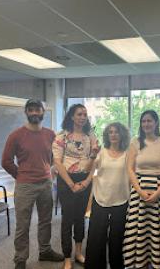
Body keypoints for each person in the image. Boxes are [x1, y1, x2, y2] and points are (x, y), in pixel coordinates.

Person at [2, 99, 64, 269]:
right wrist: (20, 175)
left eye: (38, 110)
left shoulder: (50, 134)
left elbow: (54, 158)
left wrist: (50, 170)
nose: (35, 113)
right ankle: (20, 259)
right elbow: (6, 161)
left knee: (45, 221)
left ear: (43, 112)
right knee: (23, 224)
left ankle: (45, 250)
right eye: (31, 110)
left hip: (45, 184)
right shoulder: (16, 135)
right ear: (26, 112)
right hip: (25, 186)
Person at [122, 110, 160, 269]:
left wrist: (158, 192)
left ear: (156, 123)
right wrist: (139, 191)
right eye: (143, 121)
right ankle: (139, 264)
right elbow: (130, 169)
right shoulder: (135, 143)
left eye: (149, 121)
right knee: (137, 231)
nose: (146, 124)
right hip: (139, 192)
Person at [52, 104, 99, 269]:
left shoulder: (90, 136)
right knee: (67, 219)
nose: (82, 117)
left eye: (85, 114)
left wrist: (87, 181)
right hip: (66, 180)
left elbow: (94, 160)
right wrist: (71, 184)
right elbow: (57, 162)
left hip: (85, 180)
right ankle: (66, 257)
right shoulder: (61, 136)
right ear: (72, 116)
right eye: (79, 114)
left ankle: (78, 252)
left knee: (80, 217)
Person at [85, 122, 130, 269]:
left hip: (121, 200)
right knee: (97, 239)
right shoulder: (101, 152)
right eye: (110, 132)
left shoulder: (128, 153)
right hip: (101, 198)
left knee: (117, 239)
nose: (113, 135)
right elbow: (87, 169)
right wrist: (92, 154)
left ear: (121, 134)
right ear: (107, 135)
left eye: (116, 132)